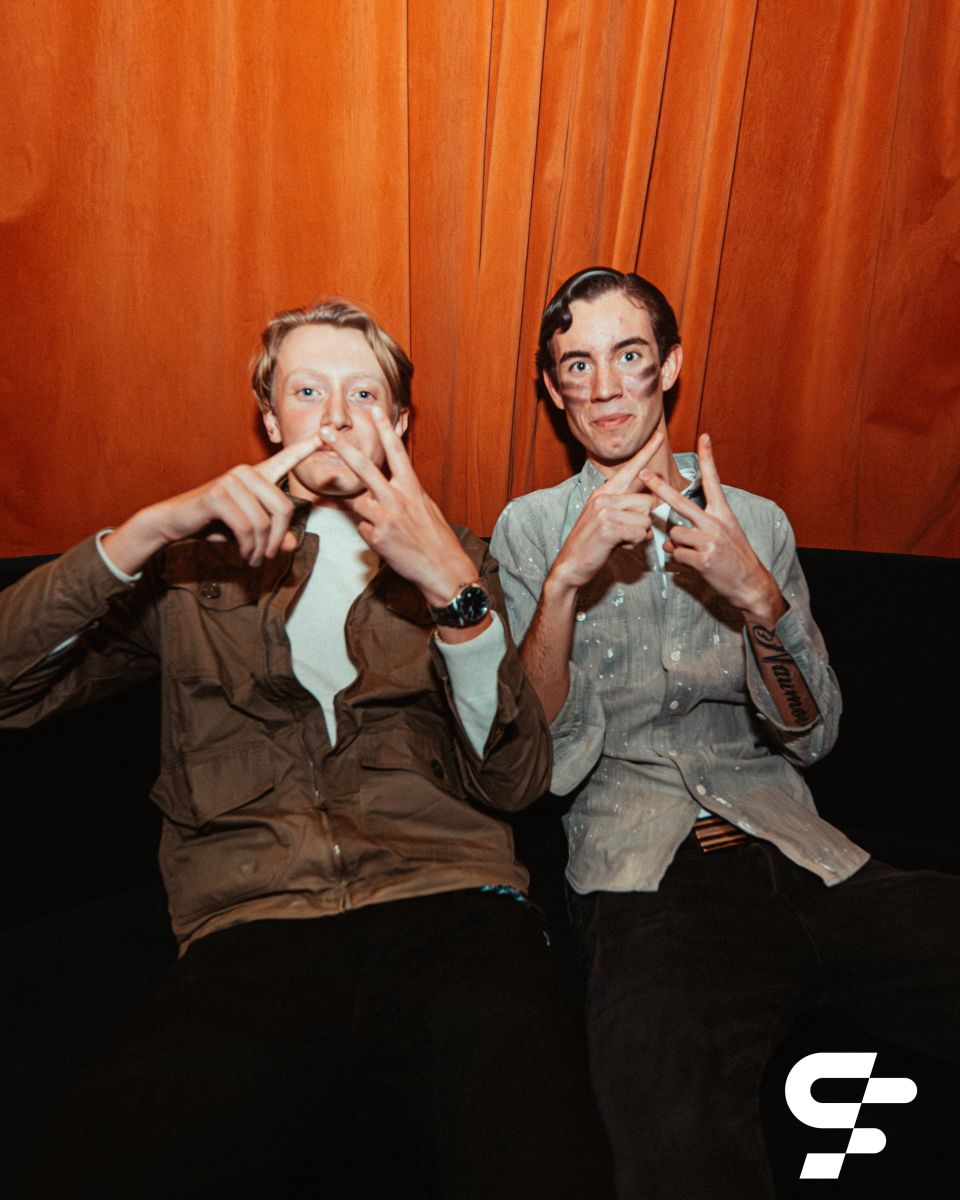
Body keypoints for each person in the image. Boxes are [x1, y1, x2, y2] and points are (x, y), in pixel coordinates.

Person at [1, 300, 612, 1199]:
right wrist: (149, 530)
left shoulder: (460, 556)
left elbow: (518, 781)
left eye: (362, 393)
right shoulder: (192, 569)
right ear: (269, 418)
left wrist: (454, 593)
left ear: (398, 421)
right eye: (307, 391)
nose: (334, 417)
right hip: (253, 925)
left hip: (452, 910)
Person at [490, 267, 960, 1199]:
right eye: (577, 365)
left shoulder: (758, 522)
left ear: (668, 365)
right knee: (670, 1143)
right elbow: (533, 762)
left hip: (806, 853)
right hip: (646, 880)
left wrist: (759, 600)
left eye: (628, 355)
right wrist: (564, 585)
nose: (604, 387)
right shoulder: (530, 529)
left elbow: (811, 737)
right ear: (553, 388)